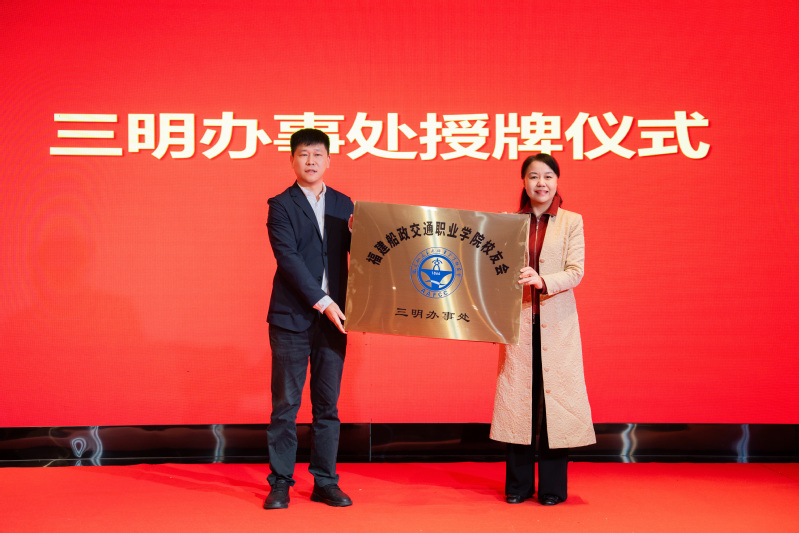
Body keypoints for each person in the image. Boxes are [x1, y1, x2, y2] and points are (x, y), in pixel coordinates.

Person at [490, 153, 595, 506]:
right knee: (519, 403)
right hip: (518, 323)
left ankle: (552, 488)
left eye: (548, 176)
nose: (541, 183)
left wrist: (542, 280)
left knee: (555, 405)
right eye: (534, 176)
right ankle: (518, 486)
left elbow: (576, 270)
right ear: (524, 182)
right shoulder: (508, 222)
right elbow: (491, 269)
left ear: (556, 181)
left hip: (557, 326)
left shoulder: (571, 221)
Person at [263, 128, 354, 509]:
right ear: (292, 160)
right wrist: (323, 301)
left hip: (336, 320)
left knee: (327, 406)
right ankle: (281, 482)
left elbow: (364, 256)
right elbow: (289, 260)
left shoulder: (344, 204)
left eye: (318, 154)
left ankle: (325, 481)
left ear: (329, 161)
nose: (311, 161)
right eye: (303, 154)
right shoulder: (280, 205)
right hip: (291, 317)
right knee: (286, 405)